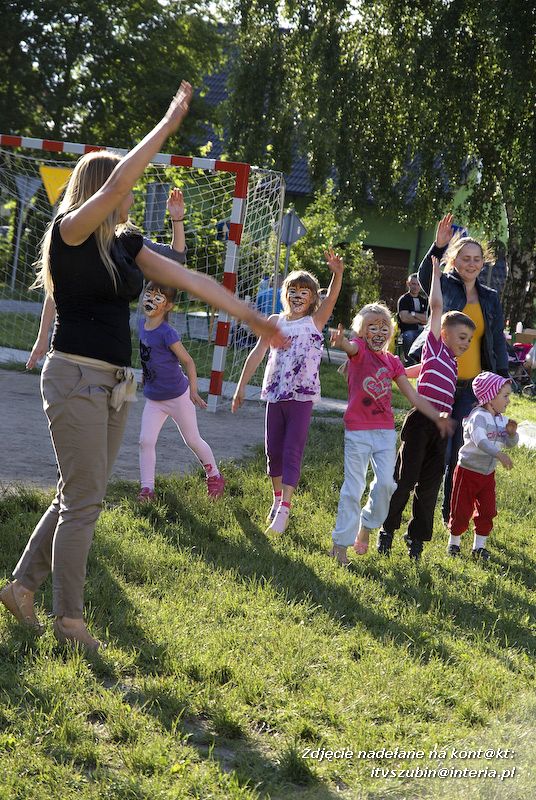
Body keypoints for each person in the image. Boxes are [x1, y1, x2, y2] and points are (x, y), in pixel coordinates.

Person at [0, 80, 285, 650]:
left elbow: (193, 279)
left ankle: (20, 588)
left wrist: (251, 317)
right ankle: (70, 621)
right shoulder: (70, 232)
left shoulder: (126, 244)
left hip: (115, 383)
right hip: (74, 376)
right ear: (104, 188)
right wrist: (166, 124)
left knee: (76, 493)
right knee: (86, 501)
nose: (133, 193)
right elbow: (125, 177)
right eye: (122, 186)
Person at [328, 303, 454, 566]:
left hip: (384, 432)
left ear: (391, 332)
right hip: (357, 432)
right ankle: (339, 546)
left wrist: (436, 416)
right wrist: (342, 343)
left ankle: (367, 524)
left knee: (387, 484)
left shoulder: (393, 362)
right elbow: (350, 348)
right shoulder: (359, 351)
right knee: (354, 488)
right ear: (361, 333)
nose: (378, 331)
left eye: (383, 327)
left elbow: (413, 396)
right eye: (371, 327)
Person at [232, 251, 344, 533]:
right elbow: (257, 354)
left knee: (293, 450)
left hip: (301, 398)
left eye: (303, 292)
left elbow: (331, 298)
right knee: (273, 452)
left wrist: (337, 274)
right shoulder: (275, 321)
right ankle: (276, 498)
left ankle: (285, 510)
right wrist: (241, 386)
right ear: (284, 294)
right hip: (275, 395)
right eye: (292, 291)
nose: (297, 296)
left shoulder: (314, 322)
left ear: (311, 299)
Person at [410, 213, 509, 524]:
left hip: (473, 387)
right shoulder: (445, 284)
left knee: (459, 453)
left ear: (482, 263)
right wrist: (437, 248)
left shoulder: (490, 298)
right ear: (454, 261)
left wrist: (503, 382)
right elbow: (426, 277)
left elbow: (495, 342)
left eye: (477, 259)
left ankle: (450, 513)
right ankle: (420, 503)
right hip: (441, 383)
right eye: (465, 258)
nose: (471, 264)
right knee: (436, 448)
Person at [26, 186, 189, 370]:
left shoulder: (128, 242)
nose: (133, 199)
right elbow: (54, 289)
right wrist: (41, 338)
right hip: (71, 359)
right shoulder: (73, 239)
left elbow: (175, 258)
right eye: (127, 190)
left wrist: (177, 219)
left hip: (111, 365)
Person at [377, 257, 476, 560]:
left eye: (470, 340)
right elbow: (435, 307)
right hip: (421, 422)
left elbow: (424, 369)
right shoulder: (435, 343)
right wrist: (435, 274)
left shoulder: (450, 360)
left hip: (441, 429)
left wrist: (403, 372)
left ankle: (416, 540)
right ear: (444, 334)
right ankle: (387, 530)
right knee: (405, 480)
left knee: (430, 487)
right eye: (462, 337)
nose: (466, 343)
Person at [137, 281, 225, 501]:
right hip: (154, 399)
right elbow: (148, 357)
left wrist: (193, 391)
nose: (151, 299)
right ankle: (147, 489)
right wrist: (144, 376)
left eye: (158, 298)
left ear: (168, 306)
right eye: (149, 294)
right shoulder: (140, 324)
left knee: (192, 440)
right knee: (145, 441)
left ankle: (214, 475)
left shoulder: (167, 332)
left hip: (178, 396)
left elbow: (189, 362)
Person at [447, 372, 518, 561]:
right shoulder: (478, 417)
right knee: (461, 509)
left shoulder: (501, 419)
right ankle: (454, 542)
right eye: (505, 396)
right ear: (490, 397)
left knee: (488, 510)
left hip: (487, 474)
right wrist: (498, 454)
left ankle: (479, 547)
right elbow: (480, 441)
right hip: (468, 471)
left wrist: (511, 435)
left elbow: (509, 443)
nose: (508, 401)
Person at [397, 273, 427, 363]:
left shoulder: (424, 301)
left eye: (418, 284)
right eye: (413, 284)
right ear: (408, 284)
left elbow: (426, 319)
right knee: (409, 336)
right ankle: (409, 361)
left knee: (429, 336)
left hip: (422, 330)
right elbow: (404, 318)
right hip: (407, 330)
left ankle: (422, 362)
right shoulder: (403, 300)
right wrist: (420, 319)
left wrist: (413, 314)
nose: (416, 287)